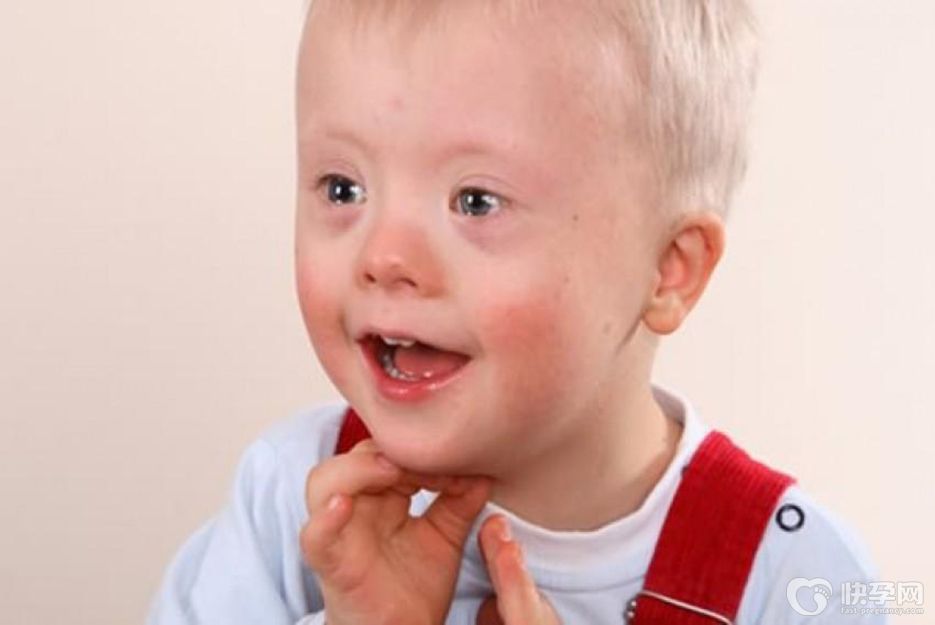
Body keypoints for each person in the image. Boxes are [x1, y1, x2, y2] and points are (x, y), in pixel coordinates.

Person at [147, 1, 882, 623]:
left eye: (475, 201)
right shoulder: (291, 499)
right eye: (343, 188)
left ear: (667, 270)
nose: (384, 255)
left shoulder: (803, 579)